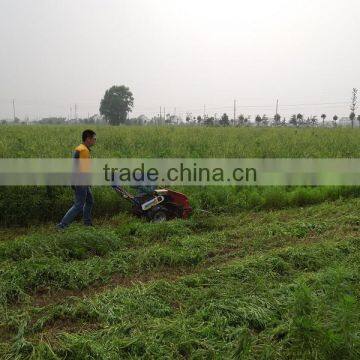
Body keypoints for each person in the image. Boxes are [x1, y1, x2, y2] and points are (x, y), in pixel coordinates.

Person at [57, 129, 97, 229]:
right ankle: (62, 225)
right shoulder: (83, 150)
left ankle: (87, 223)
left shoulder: (81, 148)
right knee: (79, 205)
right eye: (94, 139)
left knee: (90, 201)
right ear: (88, 139)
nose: (95, 141)